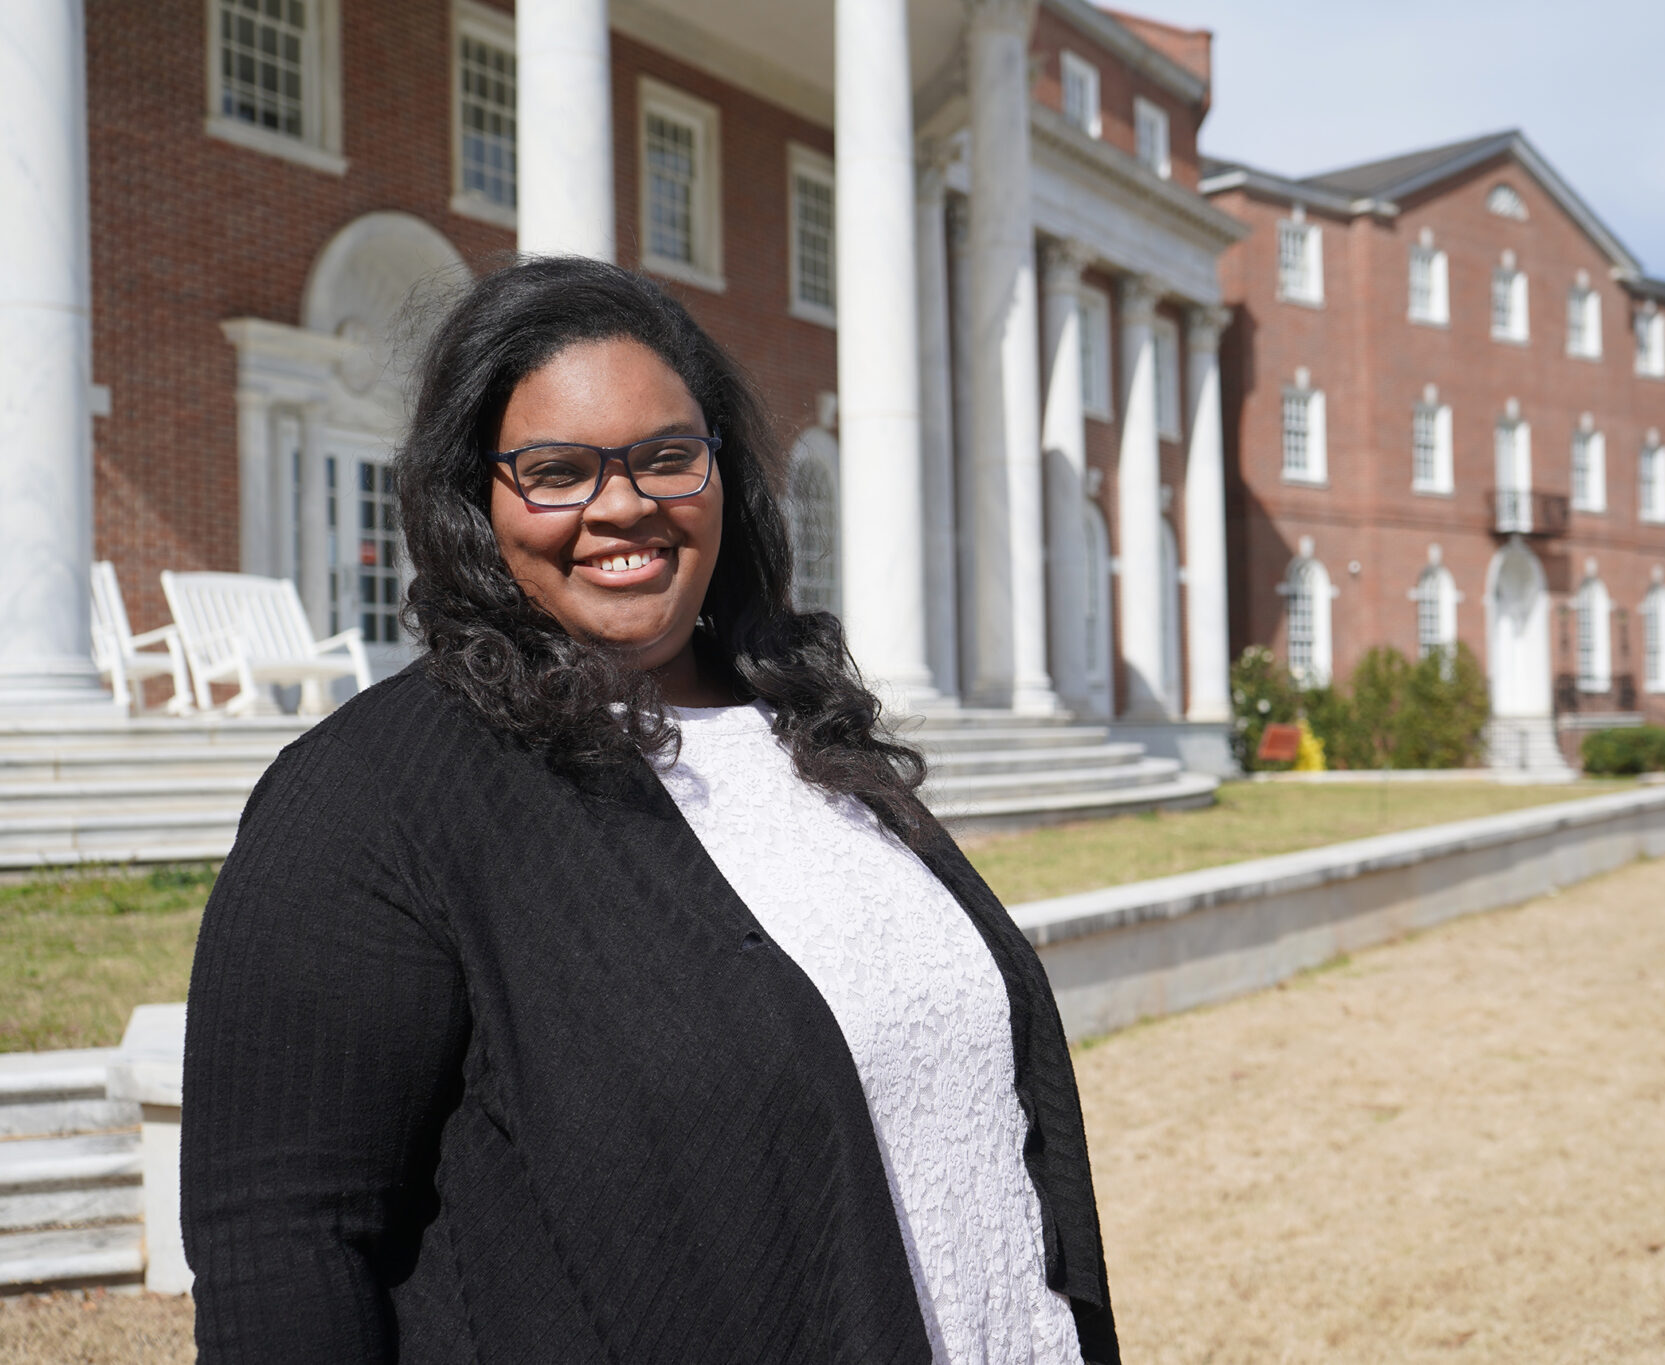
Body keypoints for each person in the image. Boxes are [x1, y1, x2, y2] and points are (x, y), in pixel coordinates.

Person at [180, 256, 1118, 1364]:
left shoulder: (802, 729)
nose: (622, 505)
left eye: (667, 458)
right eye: (556, 470)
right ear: (472, 498)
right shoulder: (367, 800)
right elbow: (284, 1247)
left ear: (723, 475)